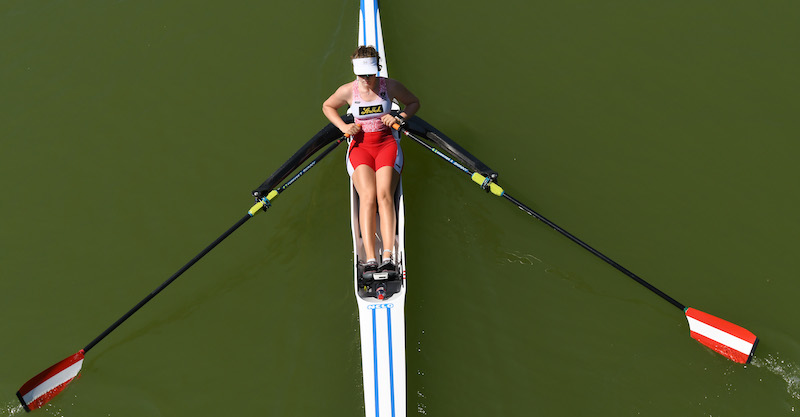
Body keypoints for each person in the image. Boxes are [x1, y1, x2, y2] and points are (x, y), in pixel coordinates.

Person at [322, 45, 420, 273]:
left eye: (370, 74)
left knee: (384, 194)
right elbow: (327, 106)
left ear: (377, 69)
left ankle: (387, 255)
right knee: (368, 196)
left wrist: (400, 118)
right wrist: (344, 126)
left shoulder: (391, 86)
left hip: (386, 144)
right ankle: (369, 258)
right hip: (360, 146)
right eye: (361, 75)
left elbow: (414, 103)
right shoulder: (348, 90)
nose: (366, 80)